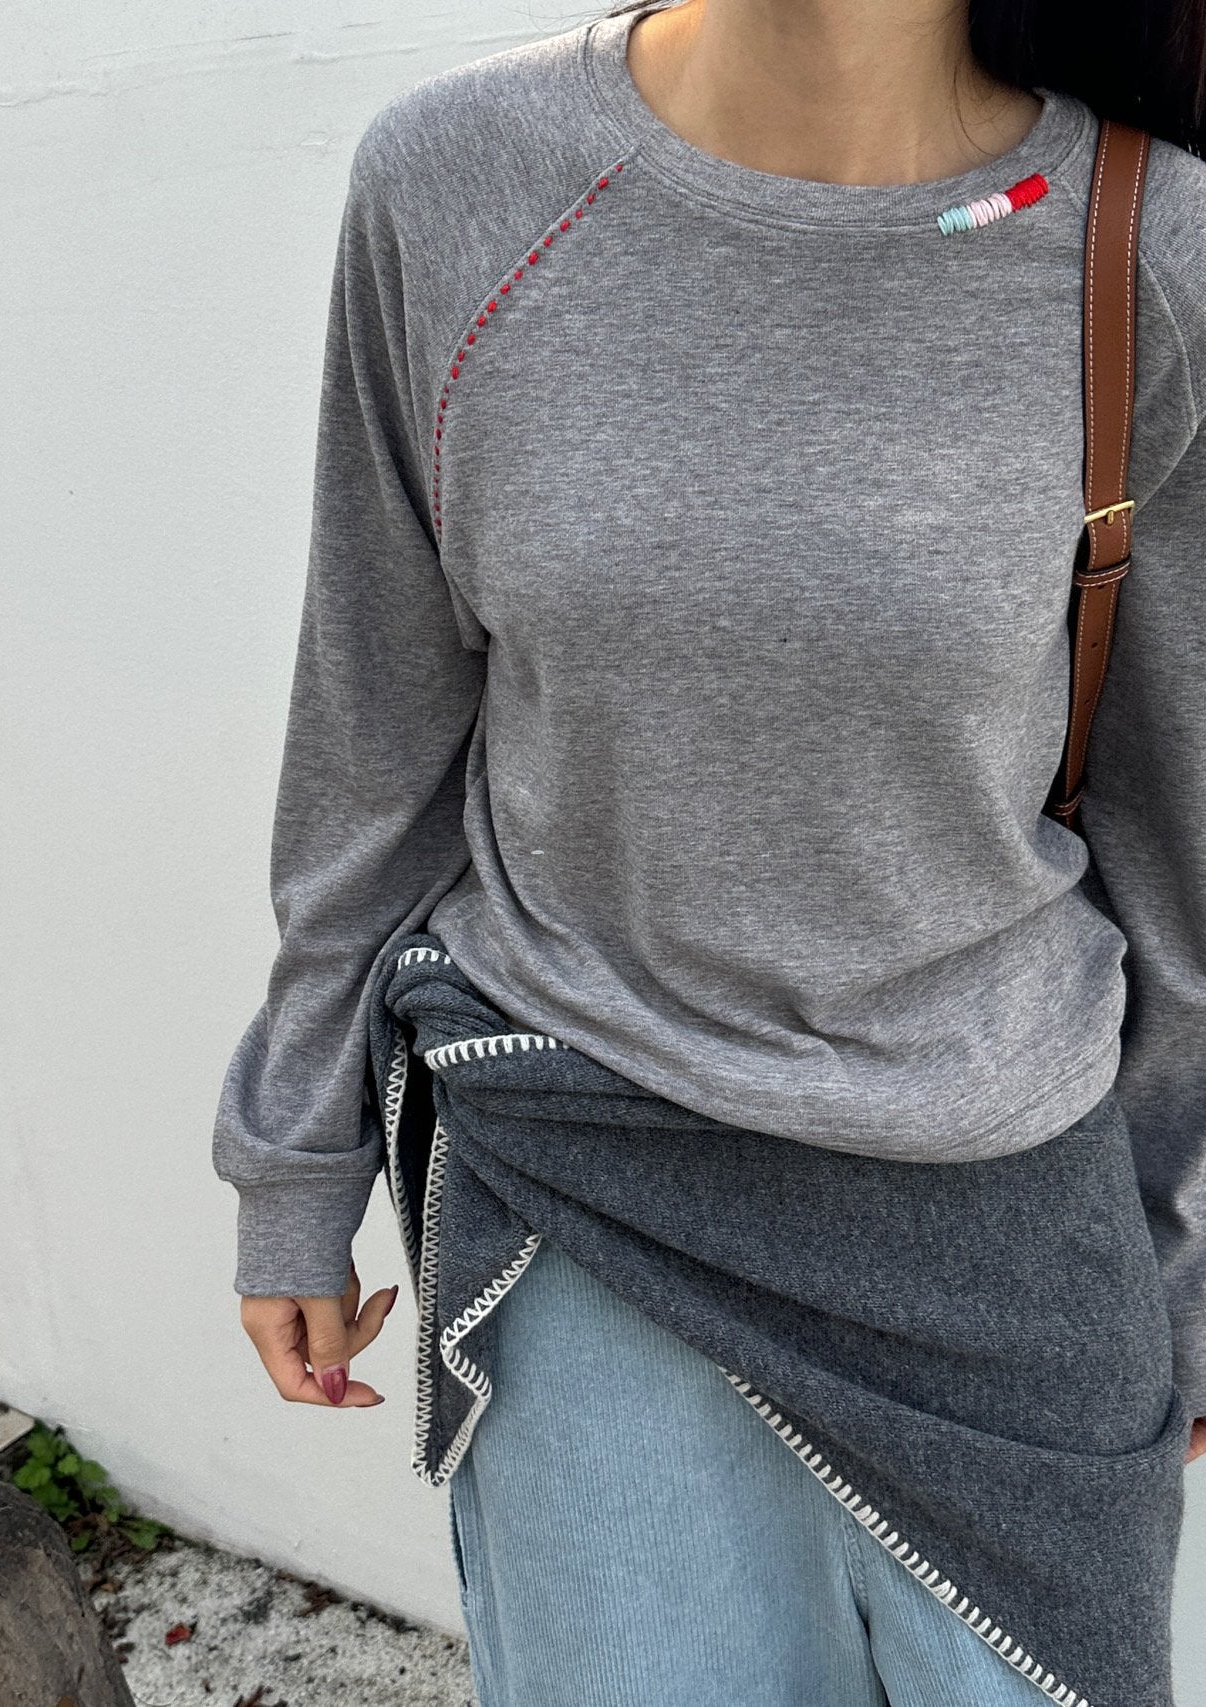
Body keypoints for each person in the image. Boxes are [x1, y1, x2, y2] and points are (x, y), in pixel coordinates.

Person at [212, 2, 1206, 1701]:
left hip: (1004, 1236)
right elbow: (372, 733)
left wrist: (1186, 1259)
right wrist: (294, 1160)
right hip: (586, 1179)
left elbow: (1181, 829)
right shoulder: (457, 183)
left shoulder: (1151, 245)